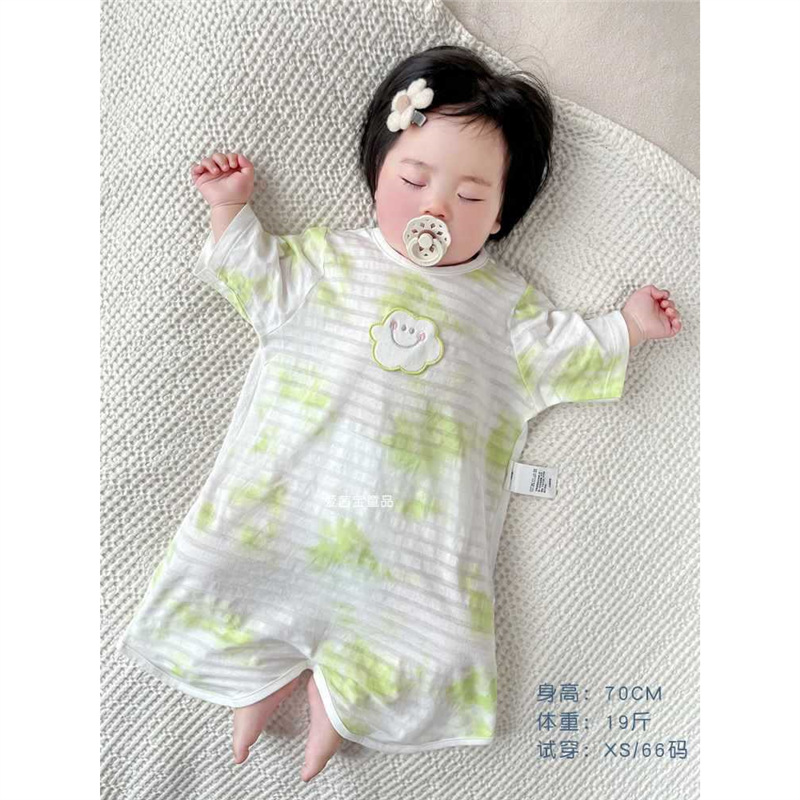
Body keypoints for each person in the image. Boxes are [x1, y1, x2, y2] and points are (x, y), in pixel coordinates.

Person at [116, 45, 681, 783]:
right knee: (243, 573)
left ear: (502, 216)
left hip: (412, 545)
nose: (436, 208)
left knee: (412, 633)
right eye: (414, 180)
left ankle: (339, 710)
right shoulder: (327, 265)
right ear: (378, 172)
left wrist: (627, 327)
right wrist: (230, 208)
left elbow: (567, 350)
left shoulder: (506, 312)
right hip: (289, 506)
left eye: (471, 198)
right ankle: (254, 688)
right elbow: (252, 269)